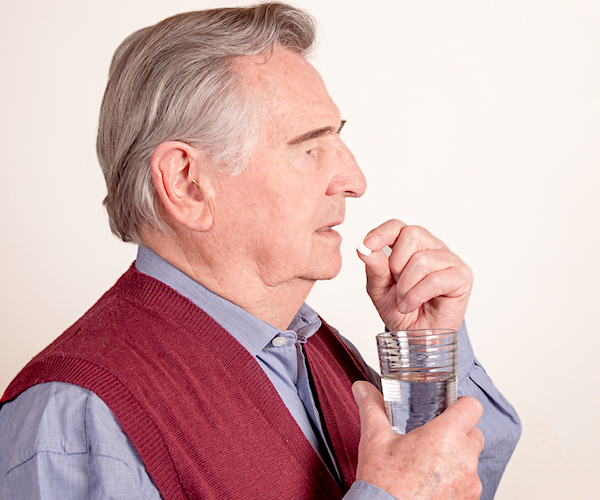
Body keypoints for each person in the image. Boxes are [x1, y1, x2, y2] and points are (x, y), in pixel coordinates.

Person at [0, 3, 520, 499]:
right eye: (309, 148)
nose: (355, 181)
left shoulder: (310, 349)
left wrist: (424, 356)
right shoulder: (80, 419)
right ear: (187, 183)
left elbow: (452, 484)